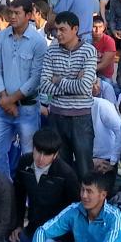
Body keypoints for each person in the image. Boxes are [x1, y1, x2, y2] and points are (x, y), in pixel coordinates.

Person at [0, 128, 80, 242]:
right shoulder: (24, 162)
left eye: (47, 154)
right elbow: (19, 195)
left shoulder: (66, 175)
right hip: (30, 231)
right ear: (33, 148)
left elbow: (76, 212)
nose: (41, 158)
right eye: (38, 151)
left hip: (53, 239)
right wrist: (18, 225)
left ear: (55, 154)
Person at [0, 0, 46, 176]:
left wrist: (10, 100)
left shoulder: (38, 41)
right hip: (3, 106)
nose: (12, 17)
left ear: (28, 15)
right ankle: (4, 187)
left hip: (27, 108)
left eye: (17, 13)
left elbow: (36, 78)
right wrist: (5, 98)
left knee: (29, 155)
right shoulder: (1, 37)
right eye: (10, 13)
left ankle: (27, 191)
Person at [39, 13, 98, 177]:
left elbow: (85, 87)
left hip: (81, 118)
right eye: (56, 30)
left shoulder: (88, 51)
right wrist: (74, 83)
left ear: (75, 29)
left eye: (62, 29)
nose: (58, 34)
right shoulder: (51, 51)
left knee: (84, 168)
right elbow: (44, 86)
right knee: (60, 169)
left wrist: (58, 80)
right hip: (56, 116)